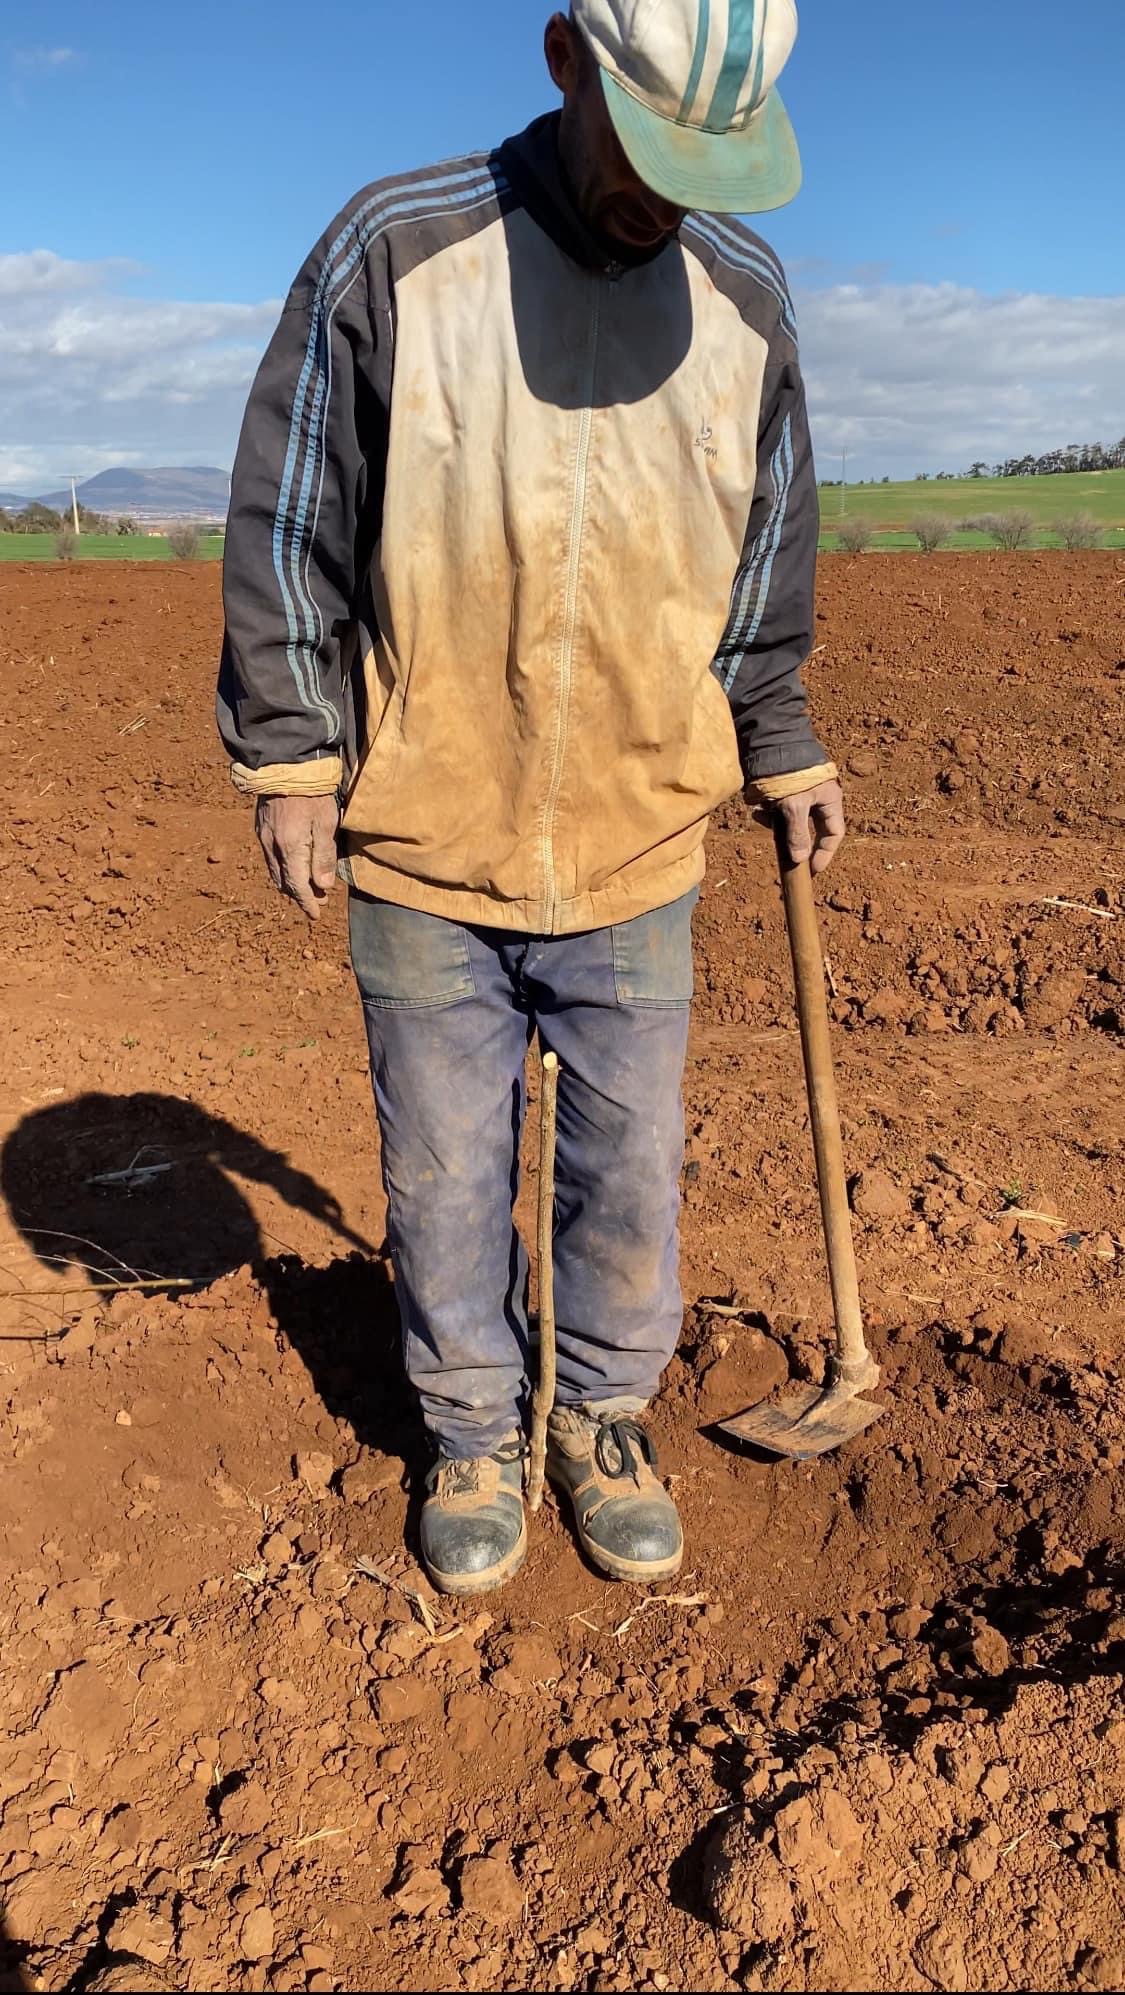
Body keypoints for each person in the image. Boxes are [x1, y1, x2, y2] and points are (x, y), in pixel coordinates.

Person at [218, 0, 844, 1597]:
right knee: (441, 1171)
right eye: (648, 150)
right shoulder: (397, 251)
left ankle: (603, 1415)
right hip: (428, 826)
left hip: (639, 827)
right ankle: (471, 1430)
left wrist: (776, 736)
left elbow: (764, 552)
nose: (667, 199)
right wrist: (292, 754)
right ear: (567, 62)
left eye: (703, 167)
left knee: (629, 1169)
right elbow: (291, 519)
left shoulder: (744, 294)